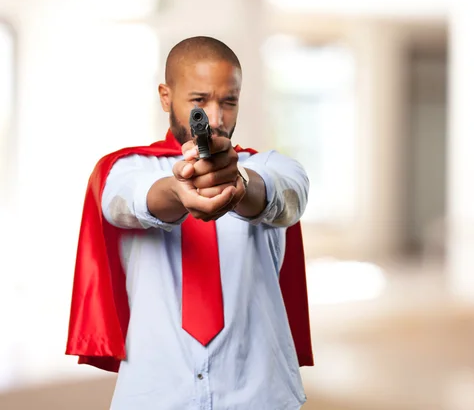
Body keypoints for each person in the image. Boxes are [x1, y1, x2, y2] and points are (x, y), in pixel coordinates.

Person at [65, 36, 314, 410]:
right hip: (155, 394)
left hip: (260, 394)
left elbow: (282, 197)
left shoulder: (273, 167)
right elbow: (129, 201)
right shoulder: (125, 169)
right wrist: (178, 190)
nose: (215, 118)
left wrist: (236, 182)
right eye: (199, 101)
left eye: (229, 101)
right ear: (166, 96)